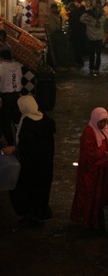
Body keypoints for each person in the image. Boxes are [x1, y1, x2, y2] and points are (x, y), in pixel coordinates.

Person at [70, 107, 108, 231]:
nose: (103, 124)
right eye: (101, 122)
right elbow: (91, 153)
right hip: (91, 174)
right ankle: (89, 222)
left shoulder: (107, 130)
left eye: (105, 121)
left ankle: (101, 220)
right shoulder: (88, 133)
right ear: (94, 120)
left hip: (105, 173)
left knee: (103, 196)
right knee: (90, 196)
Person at [9, 95, 56, 225]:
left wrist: (15, 149)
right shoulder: (46, 120)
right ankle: (41, 212)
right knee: (42, 189)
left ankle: (30, 216)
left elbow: (26, 149)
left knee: (27, 190)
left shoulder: (28, 124)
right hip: (45, 165)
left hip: (31, 168)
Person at [0, 50, 23, 145]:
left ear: (1, 58)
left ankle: (10, 142)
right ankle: (20, 139)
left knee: (5, 121)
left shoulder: (1, 67)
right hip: (17, 96)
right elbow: (20, 78)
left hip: (6, 97)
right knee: (17, 120)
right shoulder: (18, 66)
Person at [80, 7, 106, 75]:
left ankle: (91, 68)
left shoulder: (89, 20)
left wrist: (87, 13)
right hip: (99, 37)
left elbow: (81, 19)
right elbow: (104, 15)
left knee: (91, 54)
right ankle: (96, 69)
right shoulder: (102, 20)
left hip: (91, 38)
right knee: (98, 54)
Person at [68, 1, 86, 67]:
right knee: (79, 47)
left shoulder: (71, 14)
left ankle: (78, 61)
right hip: (81, 32)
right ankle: (80, 61)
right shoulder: (80, 13)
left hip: (75, 33)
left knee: (76, 47)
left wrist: (69, 32)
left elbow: (70, 25)